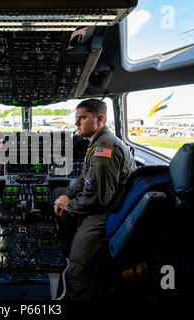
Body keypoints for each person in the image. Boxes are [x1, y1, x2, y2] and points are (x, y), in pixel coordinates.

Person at [53, 98, 136, 300]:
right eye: (76, 118)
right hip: (108, 202)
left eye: (82, 118)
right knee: (58, 193)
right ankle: (72, 242)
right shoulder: (97, 142)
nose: (77, 123)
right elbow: (85, 178)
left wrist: (69, 205)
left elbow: (98, 200)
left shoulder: (103, 149)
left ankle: (81, 269)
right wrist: (67, 195)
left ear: (99, 119)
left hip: (108, 213)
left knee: (78, 271)